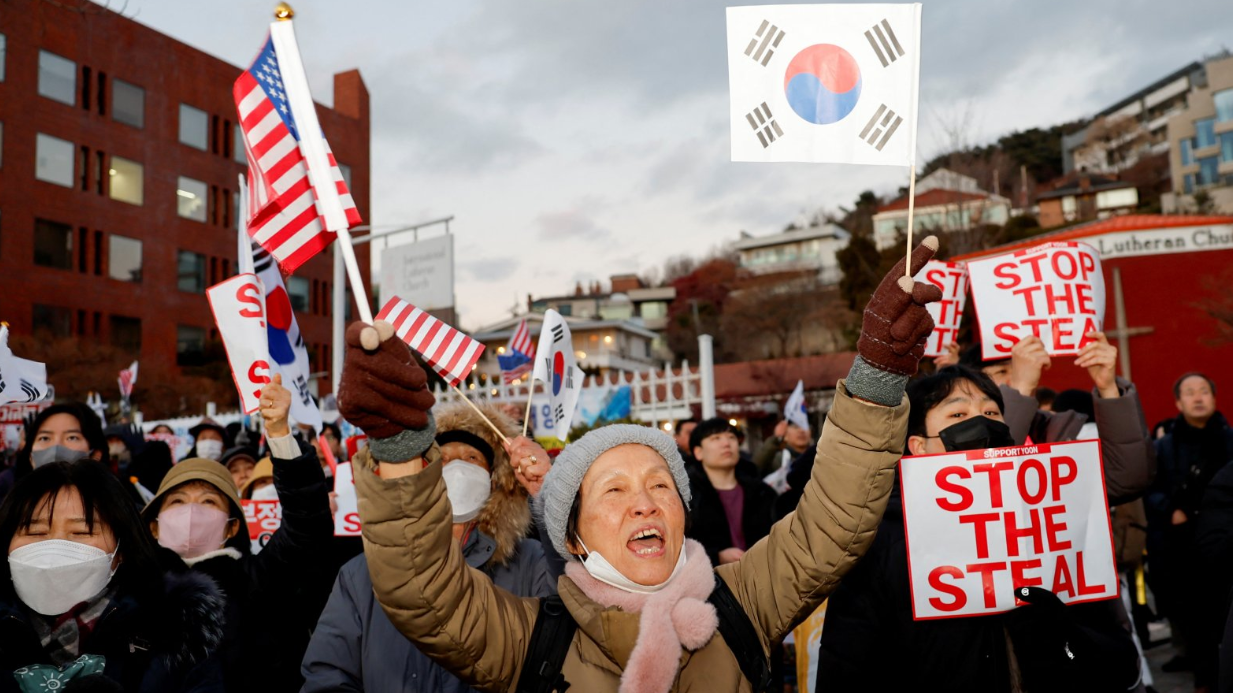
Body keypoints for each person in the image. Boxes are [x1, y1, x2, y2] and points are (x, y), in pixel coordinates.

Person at [336, 238, 942, 692]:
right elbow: (423, 593)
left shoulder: (744, 604)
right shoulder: (531, 639)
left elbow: (833, 523)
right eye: (614, 491)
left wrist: (878, 376)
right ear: (571, 533)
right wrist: (398, 448)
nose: (644, 502)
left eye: (660, 485)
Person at [817, 365, 1142, 692]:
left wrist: (1067, 637)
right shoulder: (881, 542)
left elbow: (1122, 666)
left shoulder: (1051, 524)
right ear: (918, 446)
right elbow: (847, 667)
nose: (982, 423)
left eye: (991, 411)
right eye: (958, 415)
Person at [301, 402, 555, 692]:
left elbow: (564, 642)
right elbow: (327, 676)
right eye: (444, 459)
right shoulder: (361, 575)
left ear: (494, 480)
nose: (458, 468)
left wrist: (550, 493)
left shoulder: (532, 561)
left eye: (472, 457)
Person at [141, 375, 334, 693]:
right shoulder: (132, 589)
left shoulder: (256, 580)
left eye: (208, 501)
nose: (192, 511)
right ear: (154, 524)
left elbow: (306, 529)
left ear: (232, 525)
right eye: (177, 501)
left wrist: (279, 435)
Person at [0, 459, 224, 690]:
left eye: (81, 532)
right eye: (35, 531)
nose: (55, 546)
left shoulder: (177, 630)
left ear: (121, 550)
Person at [1146, 372, 1233, 685]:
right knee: (1193, 620)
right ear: (1178, 402)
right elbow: (1149, 490)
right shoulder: (1163, 447)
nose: (1198, 397)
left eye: (1204, 391)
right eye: (1190, 392)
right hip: (1180, 548)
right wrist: (1170, 510)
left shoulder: (1229, 440)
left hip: (1225, 547)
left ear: (1214, 397)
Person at [686, 418, 776, 566]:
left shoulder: (762, 492)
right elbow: (679, 547)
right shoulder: (687, 497)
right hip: (711, 580)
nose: (726, 444)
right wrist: (715, 556)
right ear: (698, 452)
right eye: (716, 438)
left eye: (732, 437)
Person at [0, 403, 111, 501]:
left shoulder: (111, 510)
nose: (56, 446)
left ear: (96, 455)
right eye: (45, 438)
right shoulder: (12, 511)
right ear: (30, 456)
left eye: (72, 437)